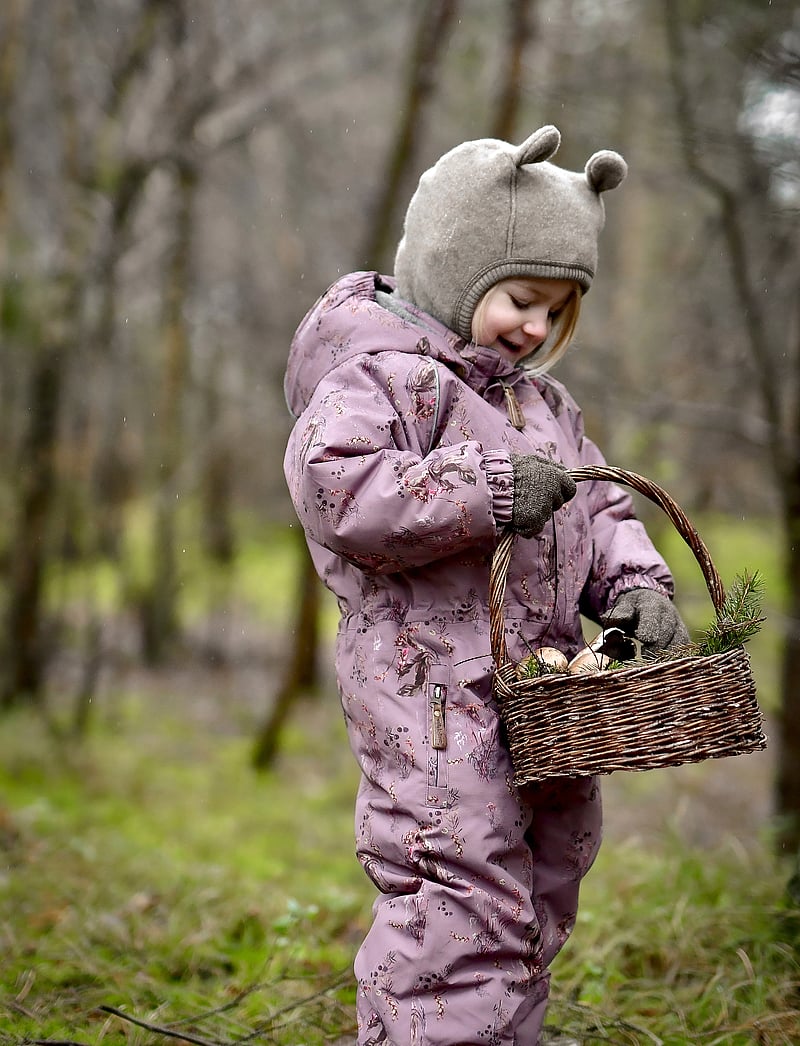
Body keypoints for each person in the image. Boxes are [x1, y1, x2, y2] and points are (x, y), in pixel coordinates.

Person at [282, 125, 688, 1046]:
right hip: (428, 695)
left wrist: (635, 584)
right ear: (453, 265)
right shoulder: (379, 377)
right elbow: (341, 493)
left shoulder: (543, 405)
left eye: (558, 311)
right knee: (458, 897)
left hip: (540, 698)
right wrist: (488, 489)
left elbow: (601, 510)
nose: (537, 329)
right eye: (520, 300)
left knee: (543, 883)